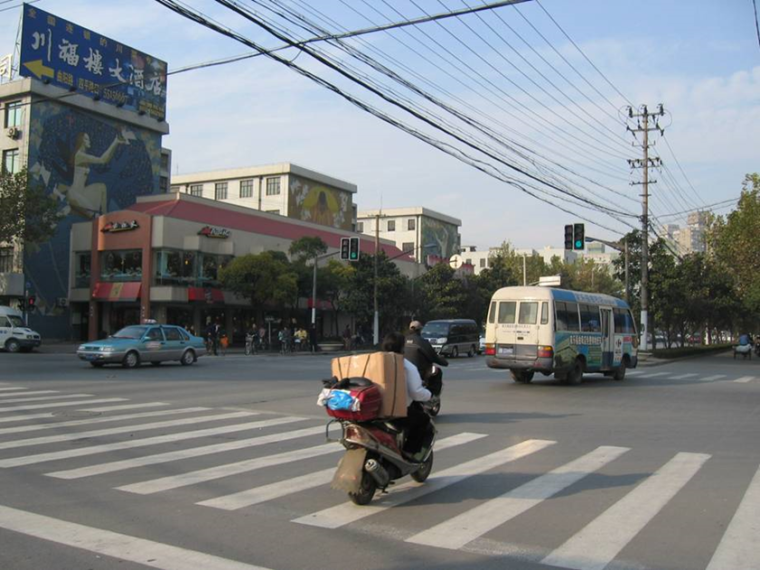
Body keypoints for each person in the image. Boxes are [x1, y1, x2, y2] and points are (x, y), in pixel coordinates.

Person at [382, 332, 432, 461]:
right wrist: (429, 395)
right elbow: (416, 392)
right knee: (423, 420)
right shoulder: (406, 365)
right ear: (401, 347)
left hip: (373, 410)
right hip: (395, 413)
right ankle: (409, 452)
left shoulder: (375, 360)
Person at [405, 320, 448, 396]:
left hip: (403, 373)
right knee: (438, 372)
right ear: (420, 330)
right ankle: (432, 396)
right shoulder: (423, 342)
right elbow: (434, 357)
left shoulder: (402, 340)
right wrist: (444, 362)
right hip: (419, 373)